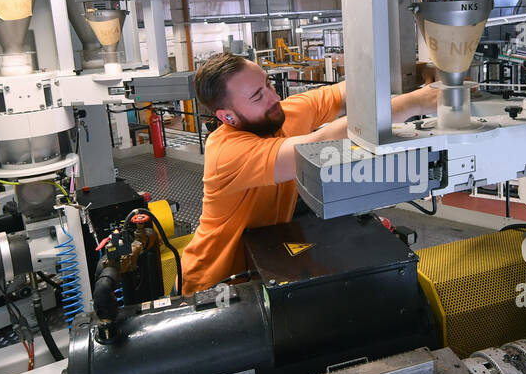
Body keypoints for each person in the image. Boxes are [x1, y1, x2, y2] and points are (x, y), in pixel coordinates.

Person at [179, 54, 438, 294]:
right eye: (257, 96)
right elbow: (318, 144)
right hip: (215, 283)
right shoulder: (226, 152)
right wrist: (414, 102)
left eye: (268, 84)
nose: (274, 98)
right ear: (228, 117)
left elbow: (345, 91)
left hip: (262, 264)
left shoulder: (278, 115)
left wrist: (406, 74)